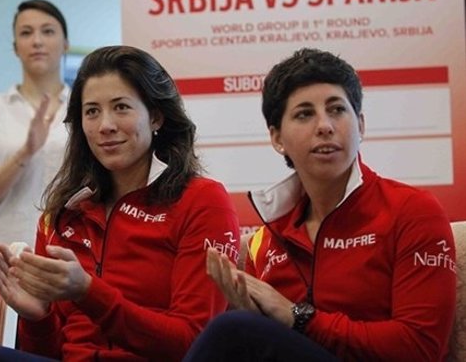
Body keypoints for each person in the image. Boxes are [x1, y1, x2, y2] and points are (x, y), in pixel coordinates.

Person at [0, 45, 241, 362]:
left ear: (155, 116)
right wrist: (36, 317)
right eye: (92, 111)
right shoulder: (63, 213)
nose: (104, 125)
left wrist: (89, 292)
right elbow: (49, 353)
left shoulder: (202, 200)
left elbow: (193, 343)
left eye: (121, 107)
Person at [183, 48, 457, 361]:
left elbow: (420, 347)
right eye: (304, 113)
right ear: (277, 138)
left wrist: (297, 317)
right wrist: (262, 319)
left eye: (337, 109)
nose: (325, 125)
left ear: (361, 125)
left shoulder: (413, 210)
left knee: (234, 329)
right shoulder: (269, 238)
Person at [0, 0, 70, 247]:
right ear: (15, 47)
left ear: (65, 44)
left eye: (48, 31)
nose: (37, 41)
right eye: (26, 33)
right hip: (6, 255)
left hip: (73, 254)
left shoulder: (86, 109)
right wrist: (26, 152)